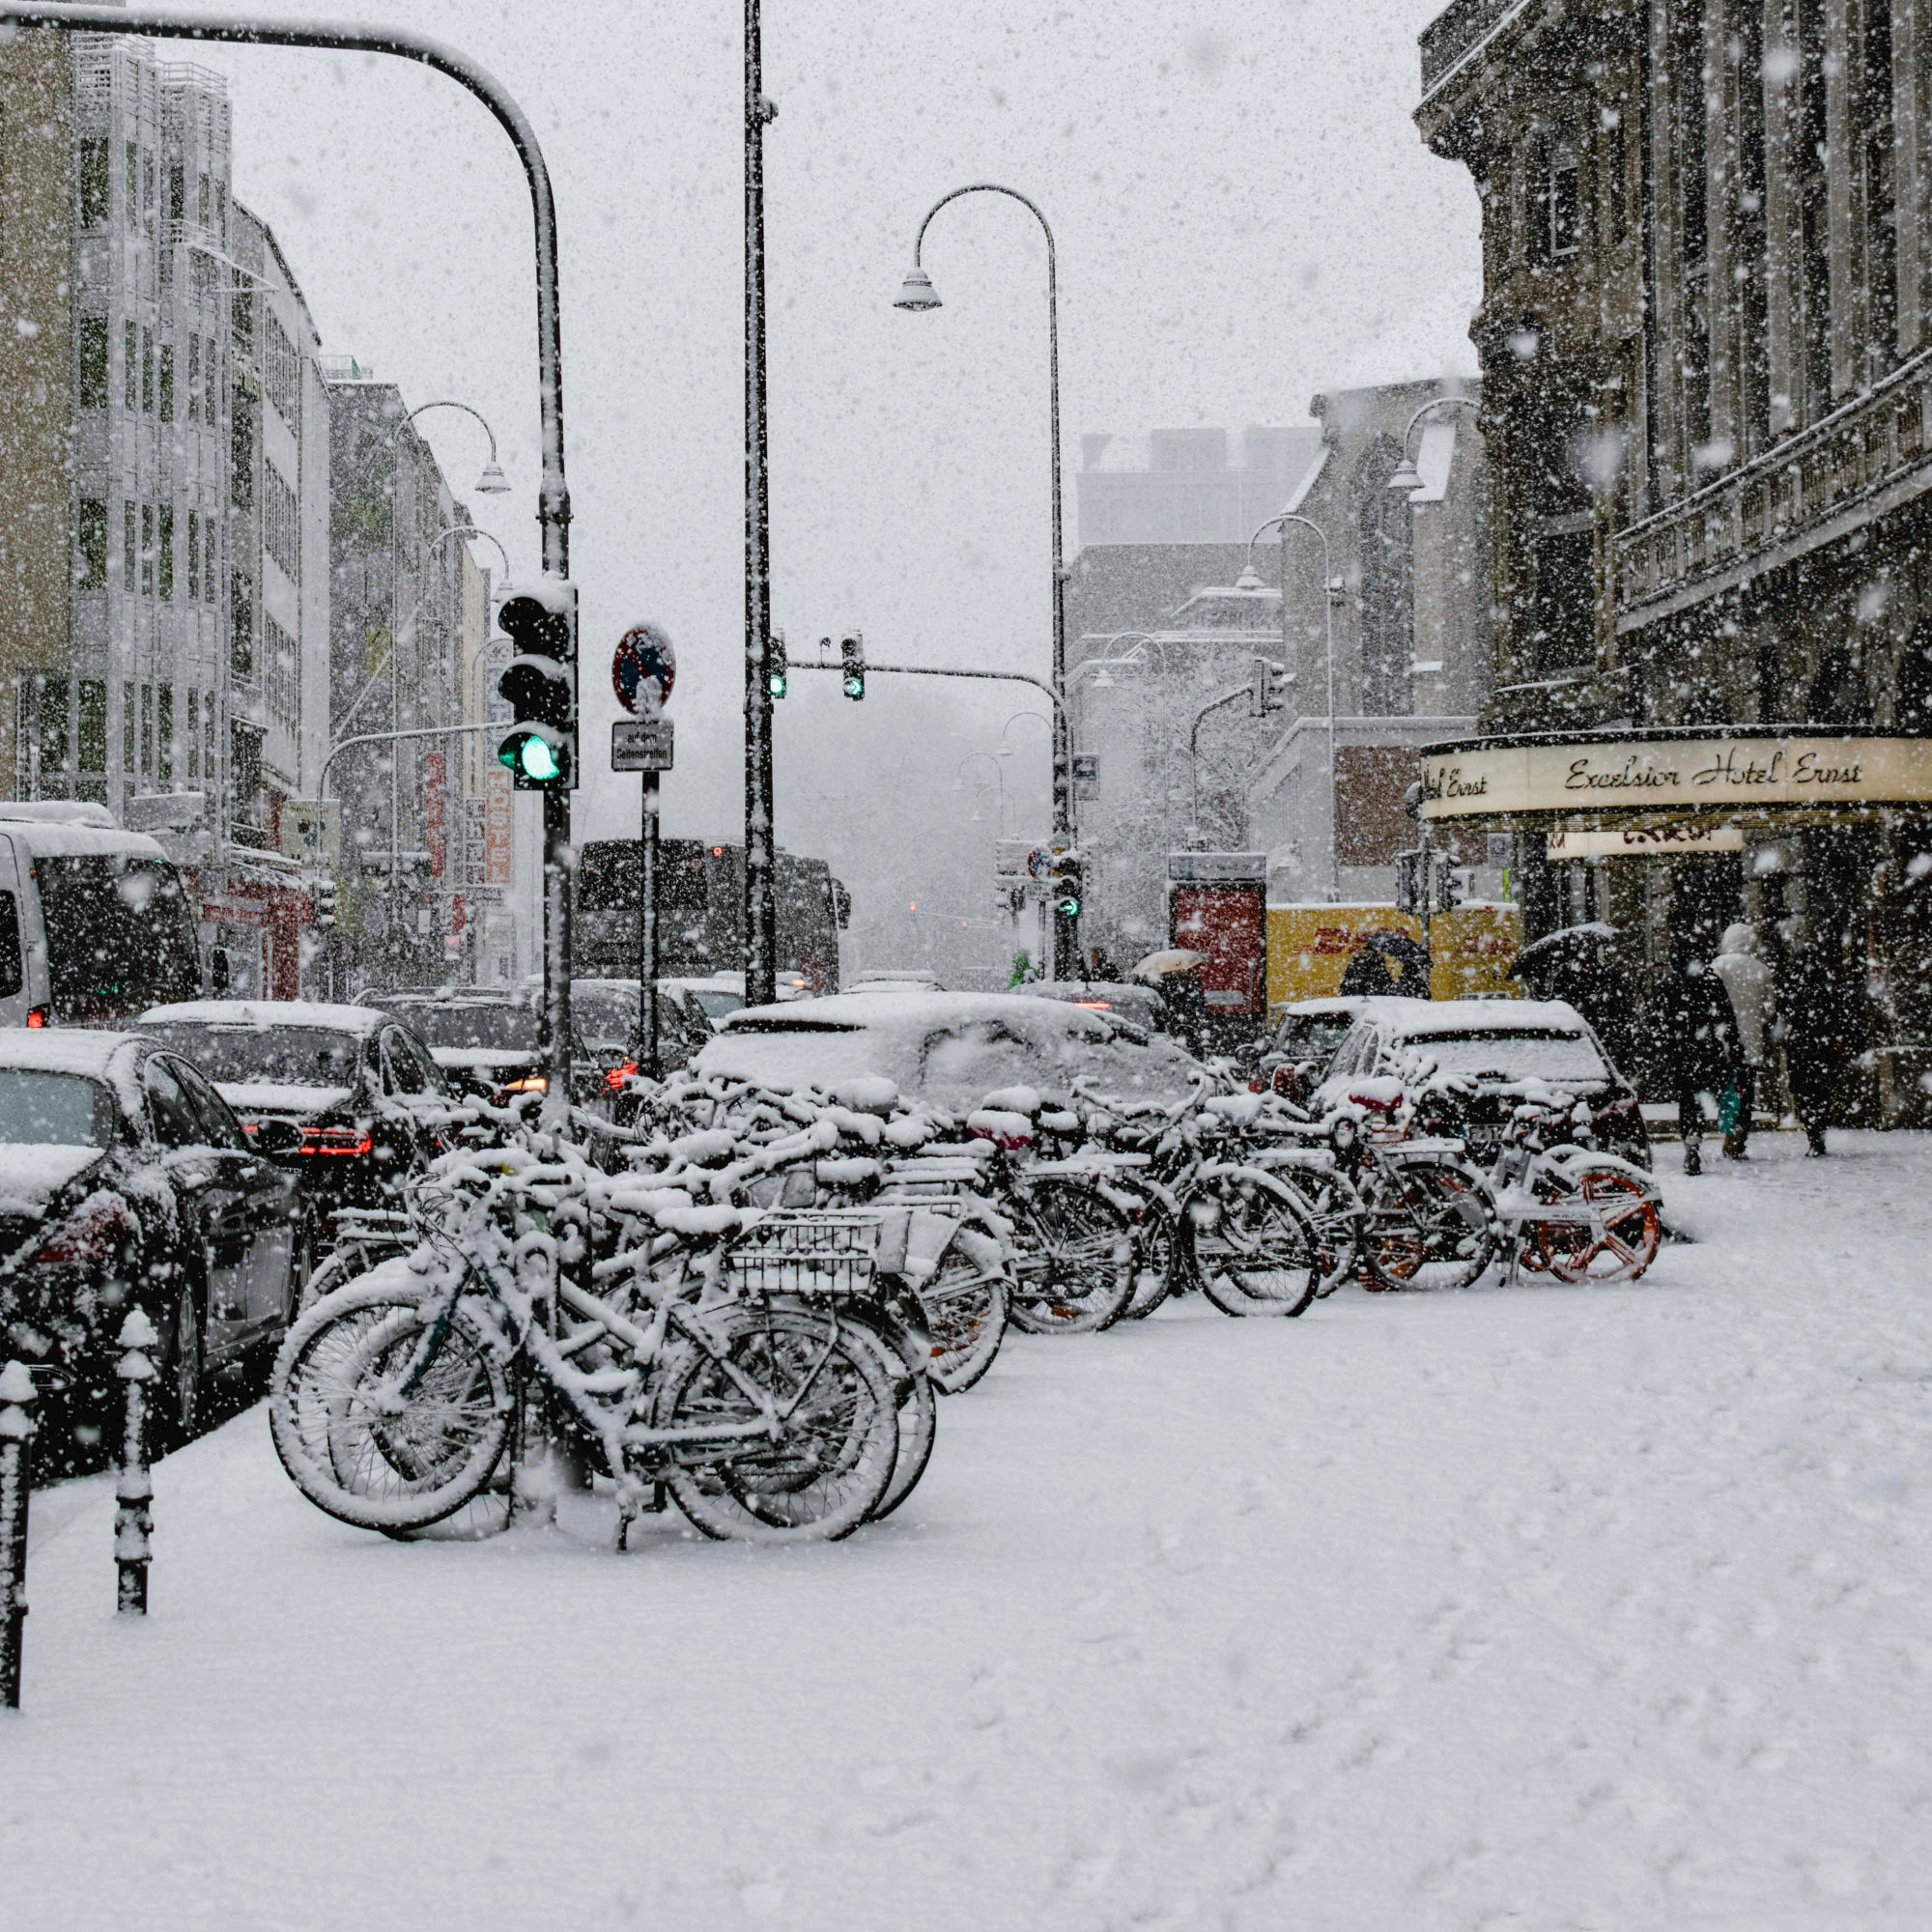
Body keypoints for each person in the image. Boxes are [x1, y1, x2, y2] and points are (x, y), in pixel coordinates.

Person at [1646, 940, 1737, 1176]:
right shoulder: (1711, 982)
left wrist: (1664, 1044)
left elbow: (1655, 1020)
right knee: (1699, 1096)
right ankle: (1696, 1138)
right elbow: (1725, 1017)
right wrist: (1730, 1044)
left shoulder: (1670, 984)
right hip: (1706, 1050)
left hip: (1682, 1050)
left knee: (1688, 1098)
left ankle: (1691, 1141)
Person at [1776, 937, 1852, 1157]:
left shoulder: (1794, 989)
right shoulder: (1827, 988)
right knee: (1821, 1092)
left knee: (1804, 1091)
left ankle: (1813, 1131)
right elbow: (1840, 1016)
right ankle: (1818, 1132)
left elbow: (1784, 1014)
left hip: (1802, 1046)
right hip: (1821, 1046)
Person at [1711, 922, 1774, 1159]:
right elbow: (1769, 1009)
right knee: (1745, 1091)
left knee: (1726, 1086)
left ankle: (1727, 1126)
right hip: (1751, 1039)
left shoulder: (1718, 965)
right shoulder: (1761, 969)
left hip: (1724, 1037)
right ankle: (1738, 1136)